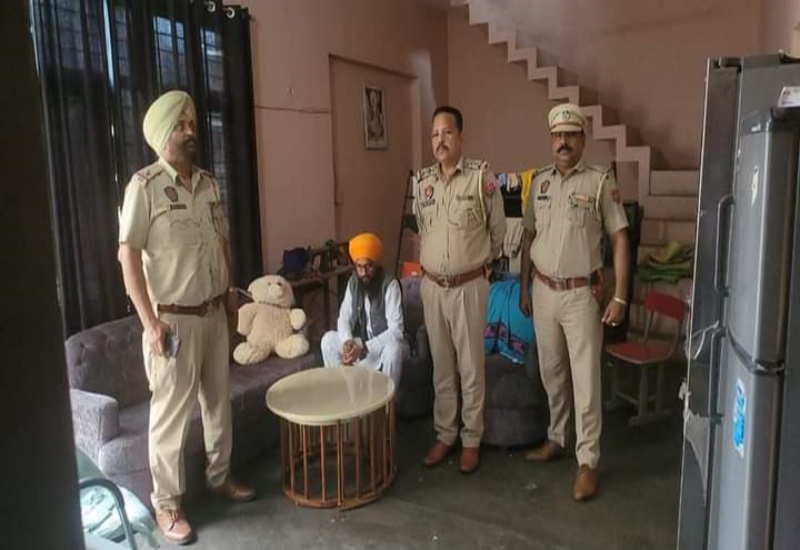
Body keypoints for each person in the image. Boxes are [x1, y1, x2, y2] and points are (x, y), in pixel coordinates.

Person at [118, 90, 254, 545]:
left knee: (219, 404)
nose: (191, 131)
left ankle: (220, 476)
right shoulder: (144, 185)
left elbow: (221, 244)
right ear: (162, 135)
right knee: (171, 417)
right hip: (172, 323)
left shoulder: (210, 184)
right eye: (181, 125)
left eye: (192, 124)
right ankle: (167, 504)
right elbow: (128, 257)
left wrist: (232, 296)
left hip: (214, 313)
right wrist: (149, 324)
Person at [519, 103, 630, 502]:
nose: (563, 142)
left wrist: (619, 294)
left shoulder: (600, 182)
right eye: (557, 135)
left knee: (586, 380)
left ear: (582, 140)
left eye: (570, 135)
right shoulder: (540, 183)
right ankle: (556, 438)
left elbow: (619, 238)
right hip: (544, 292)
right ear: (551, 140)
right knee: (552, 373)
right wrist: (522, 286)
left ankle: (588, 461)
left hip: (583, 295)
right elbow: (528, 237)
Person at [413, 105, 506, 474]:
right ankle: (445, 434)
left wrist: (478, 265)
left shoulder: (481, 178)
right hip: (433, 288)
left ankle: (471, 439)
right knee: (442, 367)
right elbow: (423, 229)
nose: (440, 140)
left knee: (471, 367)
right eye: (435, 134)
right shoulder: (422, 183)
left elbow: (497, 233)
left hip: (469, 287)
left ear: (460, 136)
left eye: (447, 132)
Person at [321, 232, 409, 385]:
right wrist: (348, 342)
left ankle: (387, 404)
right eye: (359, 267)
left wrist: (364, 347)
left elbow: (397, 331)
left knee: (393, 350)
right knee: (328, 340)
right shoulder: (354, 282)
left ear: (376, 264)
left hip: (385, 347)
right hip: (362, 346)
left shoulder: (389, 284)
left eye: (369, 266)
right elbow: (344, 318)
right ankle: (343, 393)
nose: (364, 273)